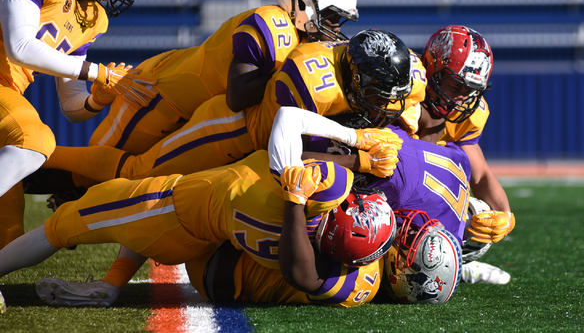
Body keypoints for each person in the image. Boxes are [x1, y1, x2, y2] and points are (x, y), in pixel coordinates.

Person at [0, 107, 401, 310]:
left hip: (174, 211)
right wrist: (359, 163)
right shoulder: (344, 270)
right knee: (120, 195)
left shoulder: (312, 191)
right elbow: (306, 273)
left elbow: (287, 120)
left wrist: (356, 143)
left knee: (62, 225)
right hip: (206, 239)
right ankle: (112, 281)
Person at [40, 29, 422, 183]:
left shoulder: (365, 66)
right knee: (138, 172)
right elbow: (294, 148)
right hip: (229, 132)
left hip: (253, 141)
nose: (385, 104)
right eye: (376, 94)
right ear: (353, 77)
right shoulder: (312, 80)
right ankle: (43, 158)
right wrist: (359, 155)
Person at [0, 0, 156, 249]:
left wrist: (97, 99)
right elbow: (20, 46)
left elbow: (71, 105)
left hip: (8, 93)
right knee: (34, 138)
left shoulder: (91, 17)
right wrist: (97, 72)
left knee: (8, 239)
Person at [396, 25, 514, 284]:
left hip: (417, 206)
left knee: (480, 213)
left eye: (470, 90)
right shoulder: (402, 92)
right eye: (455, 86)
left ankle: (452, 265)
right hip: (383, 193)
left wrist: (506, 215)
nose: (462, 98)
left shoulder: (465, 116)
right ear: (431, 69)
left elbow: (481, 175)